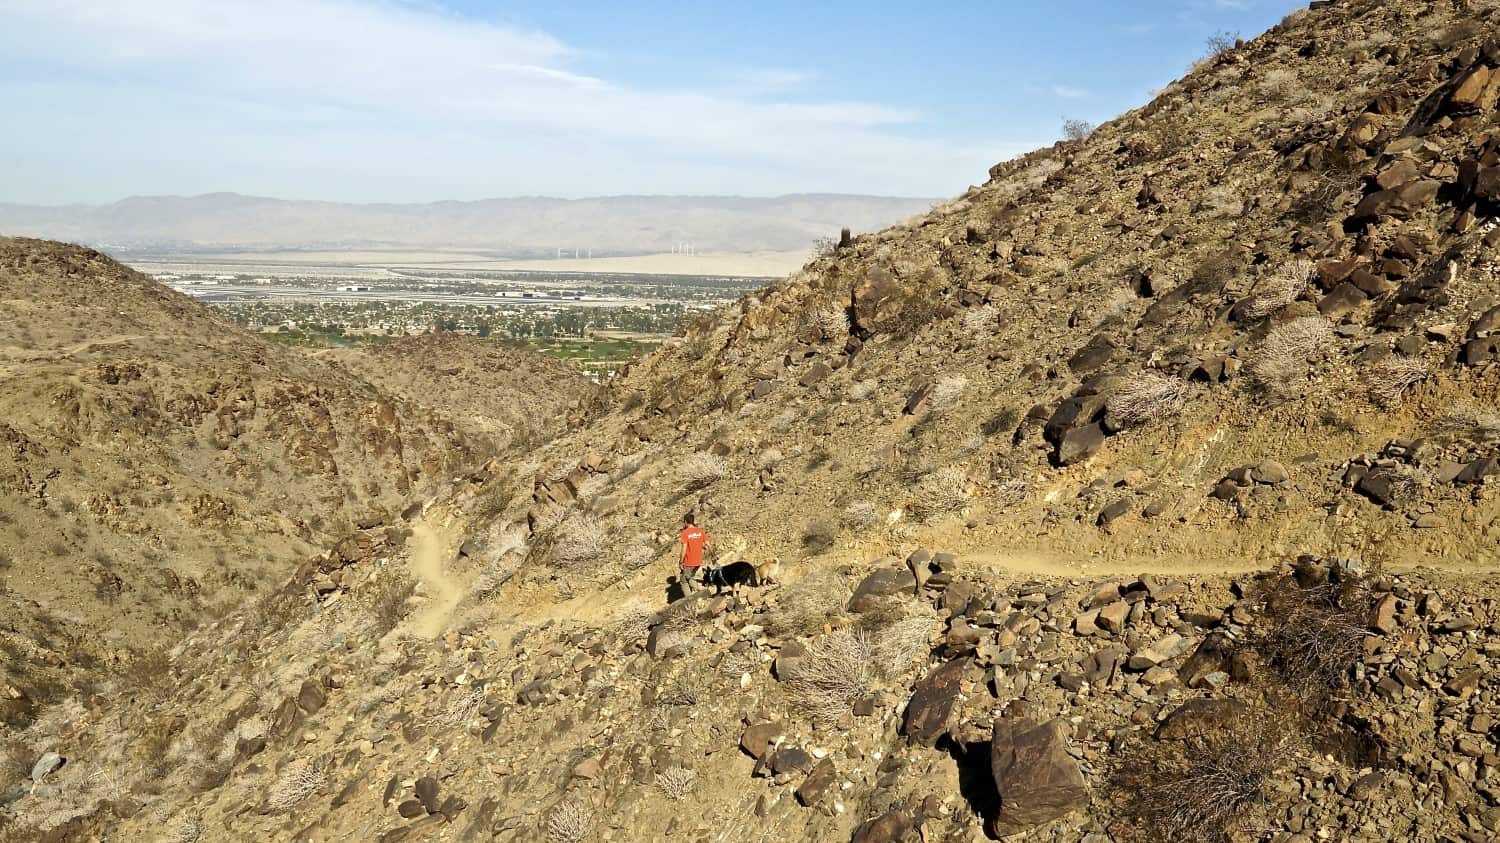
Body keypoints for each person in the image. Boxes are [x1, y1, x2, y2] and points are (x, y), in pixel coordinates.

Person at [677, 512, 709, 595]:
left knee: (683, 581)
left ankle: (689, 599)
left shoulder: (685, 533)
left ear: (686, 522)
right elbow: (707, 544)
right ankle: (697, 591)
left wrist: (681, 562)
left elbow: (684, 548)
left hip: (689, 562)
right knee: (690, 576)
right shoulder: (700, 531)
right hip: (698, 561)